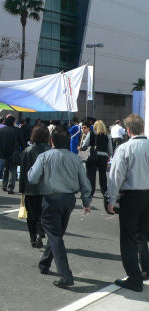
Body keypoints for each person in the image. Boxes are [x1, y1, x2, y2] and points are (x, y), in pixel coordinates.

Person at [28, 126, 91, 288]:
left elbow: (33, 178)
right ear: (68, 141)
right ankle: (44, 264)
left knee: (55, 235)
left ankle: (65, 275)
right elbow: (85, 181)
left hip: (51, 199)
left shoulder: (44, 156)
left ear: (51, 140)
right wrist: (86, 201)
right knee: (57, 232)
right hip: (69, 199)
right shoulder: (75, 158)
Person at [106, 114, 149, 292]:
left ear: (128, 130)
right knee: (142, 234)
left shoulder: (124, 148)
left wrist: (111, 199)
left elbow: (116, 176)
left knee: (129, 238)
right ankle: (146, 268)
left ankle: (134, 279)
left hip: (131, 196)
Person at [19, 125, 51, 248]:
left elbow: (23, 172)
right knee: (44, 213)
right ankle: (41, 232)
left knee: (31, 214)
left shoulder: (28, 150)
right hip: (47, 188)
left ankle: (33, 237)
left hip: (30, 188)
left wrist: (22, 188)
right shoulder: (50, 151)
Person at [80, 120, 112, 198]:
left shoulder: (91, 133)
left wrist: (81, 147)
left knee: (91, 175)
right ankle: (104, 191)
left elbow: (85, 144)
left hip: (92, 155)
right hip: (103, 156)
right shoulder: (107, 135)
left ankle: (91, 192)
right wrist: (109, 155)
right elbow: (110, 149)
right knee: (103, 175)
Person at [0, 115, 25, 194]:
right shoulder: (17, 130)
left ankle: (4, 185)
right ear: (13, 122)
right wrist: (23, 149)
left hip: (4, 152)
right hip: (14, 152)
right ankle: (10, 187)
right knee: (13, 170)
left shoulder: (2, 130)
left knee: (6, 169)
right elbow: (22, 143)